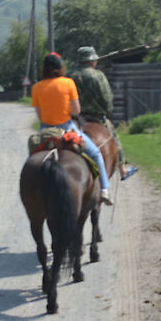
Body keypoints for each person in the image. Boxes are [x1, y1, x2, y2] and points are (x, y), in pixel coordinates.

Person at [31, 52, 113, 205]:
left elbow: (40, 115)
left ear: (44, 69)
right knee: (95, 153)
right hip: (67, 128)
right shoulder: (68, 83)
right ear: (61, 67)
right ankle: (104, 190)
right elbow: (76, 111)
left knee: (33, 157)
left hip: (45, 130)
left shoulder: (36, 87)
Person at [70, 46, 137, 180]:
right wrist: (107, 112)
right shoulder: (98, 75)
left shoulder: (69, 76)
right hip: (96, 117)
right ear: (91, 61)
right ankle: (123, 169)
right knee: (114, 136)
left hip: (74, 119)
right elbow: (107, 97)